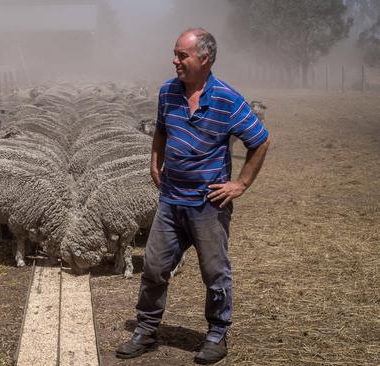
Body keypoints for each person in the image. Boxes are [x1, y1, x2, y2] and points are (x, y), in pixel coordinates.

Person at [115, 28, 271, 364]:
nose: (175, 61)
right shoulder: (168, 93)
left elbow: (260, 140)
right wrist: (154, 160)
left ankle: (216, 334)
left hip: (208, 204)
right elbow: (161, 129)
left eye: (182, 55)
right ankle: (145, 329)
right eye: (174, 54)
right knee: (154, 268)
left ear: (205, 58)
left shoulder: (227, 99)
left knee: (214, 273)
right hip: (171, 201)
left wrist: (240, 184)